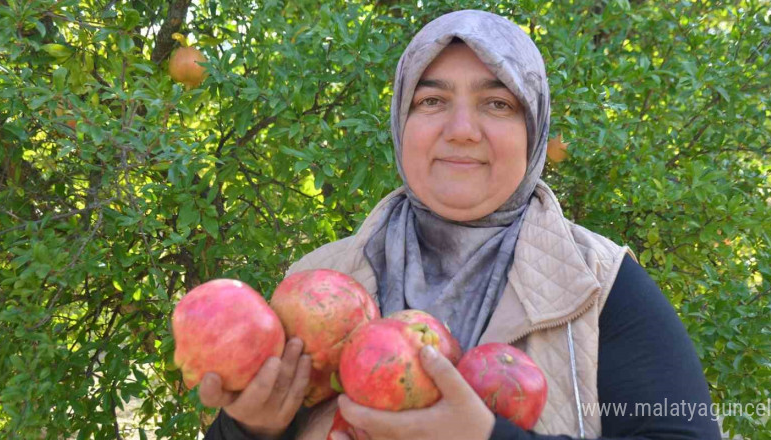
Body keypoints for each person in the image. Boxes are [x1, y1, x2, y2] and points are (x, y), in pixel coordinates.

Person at [201, 9, 721, 440]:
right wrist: (246, 429)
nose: (462, 130)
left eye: (497, 103)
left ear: (534, 129)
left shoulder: (599, 285)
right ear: (401, 124)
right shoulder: (315, 283)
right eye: (432, 101)